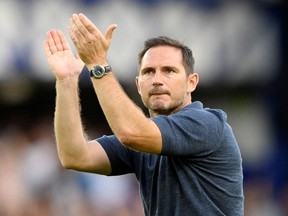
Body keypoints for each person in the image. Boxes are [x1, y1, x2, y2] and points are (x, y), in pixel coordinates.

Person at [43, 13, 244, 216]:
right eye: (148, 72)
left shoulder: (207, 124)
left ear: (191, 82)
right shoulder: (144, 138)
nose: (157, 79)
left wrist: (97, 64)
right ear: (139, 85)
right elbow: (74, 156)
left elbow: (132, 132)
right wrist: (66, 81)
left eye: (169, 71)